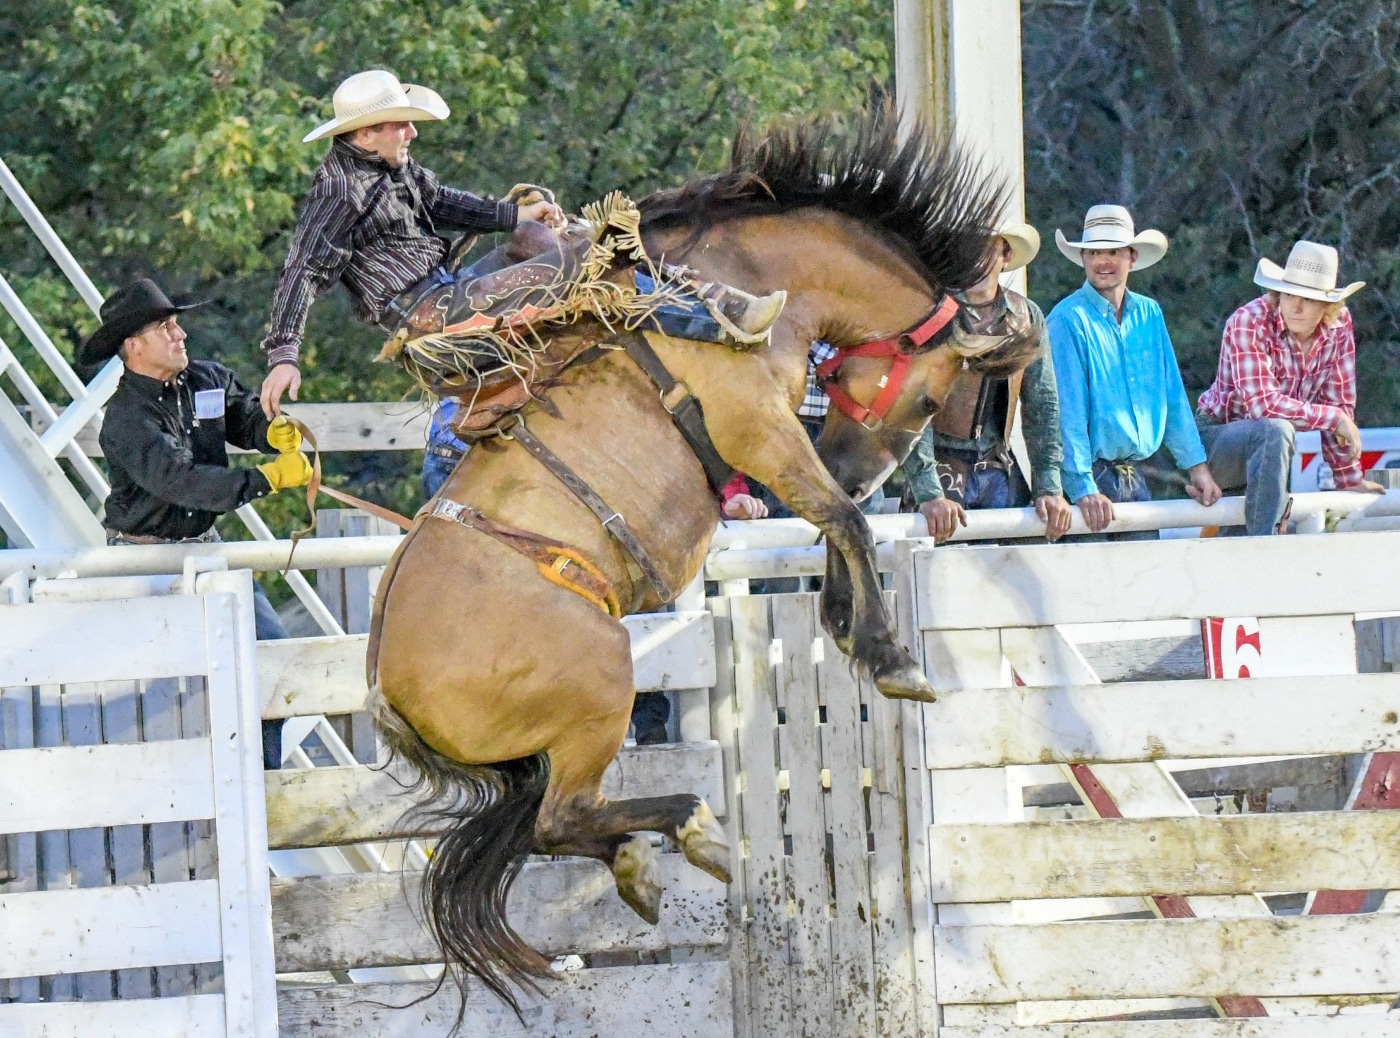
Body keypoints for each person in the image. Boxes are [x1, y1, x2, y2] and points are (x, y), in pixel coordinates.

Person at [259, 69, 784, 499]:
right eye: (401, 124)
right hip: (430, 314)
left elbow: (446, 203)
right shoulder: (337, 191)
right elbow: (302, 268)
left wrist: (516, 215)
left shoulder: (394, 167)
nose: (412, 133)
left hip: (450, 288)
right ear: (365, 133)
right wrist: (283, 354)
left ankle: (686, 302)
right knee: (581, 267)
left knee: (539, 238)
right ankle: (716, 317)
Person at [79, 278, 314, 769]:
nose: (180, 334)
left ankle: (259, 780)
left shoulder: (208, 380)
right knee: (158, 692)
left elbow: (243, 417)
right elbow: (179, 481)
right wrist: (268, 477)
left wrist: (271, 430)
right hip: (140, 565)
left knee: (273, 659)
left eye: (176, 323)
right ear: (134, 346)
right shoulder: (124, 418)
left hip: (203, 547)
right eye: (166, 327)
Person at [1047, 204, 1221, 538]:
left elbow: (1171, 397)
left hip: (1131, 477)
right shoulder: (1067, 321)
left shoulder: (1149, 314)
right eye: (1094, 252)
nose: (1103, 261)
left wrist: (1196, 467)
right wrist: (1082, 487)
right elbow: (1066, 414)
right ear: (1083, 259)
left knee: (1144, 582)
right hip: (1089, 483)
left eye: (1113, 251)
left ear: (1132, 257)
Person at [1196, 240, 1384, 533]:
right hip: (1216, 442)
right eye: (1289, 294)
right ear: (1277, 293)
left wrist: (1347, 477)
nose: (1296, 306)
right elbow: (1263, 406)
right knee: (1276, 430)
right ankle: (1265, 545)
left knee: (1232, 555)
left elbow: (1339, 401)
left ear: (1327, 305)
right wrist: (1334, 418)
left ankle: (1259, 552)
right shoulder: (1249, 321)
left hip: (1269, 461)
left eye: (1308, 299)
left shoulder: (1339, 326)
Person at [903, 222, 1072, 542]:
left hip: (1001, 471)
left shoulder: (1027, 315)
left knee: (1011, 575)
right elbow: (913, 406)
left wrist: (1048, 486)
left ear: (1005, 255)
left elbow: (1043, 404)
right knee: (937, 582)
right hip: (942, 470)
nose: (977, 260)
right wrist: (928, 493)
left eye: (987, 249)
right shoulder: (931, 313)